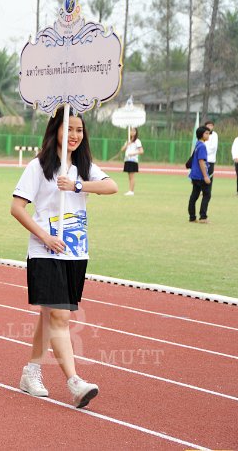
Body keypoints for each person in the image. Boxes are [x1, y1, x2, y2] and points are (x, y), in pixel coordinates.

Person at [10, 110, 117, 408]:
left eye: (79, 130)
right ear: (55, 129)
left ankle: (31, 372)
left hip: (76, 252)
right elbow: (17, 208)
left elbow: (112, 186)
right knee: (60, 316)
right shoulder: (38, 167)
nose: (74, 135)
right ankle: (75, 382)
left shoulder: (84, 168)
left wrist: (78, 185)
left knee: (49, 316)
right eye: (68, 128)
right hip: (46, 252)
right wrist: (44, 236)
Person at [188, 126, 212, 223]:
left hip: (194, 174)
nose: (208, 135)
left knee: (194, 195)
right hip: (200, 175)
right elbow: (201, 161)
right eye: (206, 133)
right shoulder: (202, 146)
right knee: (207, 194)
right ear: (201, 134)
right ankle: (203, 217)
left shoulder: (197, 144)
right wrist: (205, 176)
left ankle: (192, 217)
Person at [120, 128, 143, 196]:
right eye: (131, 131)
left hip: (133, 160)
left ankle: (131, 191)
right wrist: (127, 144)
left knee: (132, 176)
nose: (132, 132)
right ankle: (130, 190)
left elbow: (141, 151)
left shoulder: (137, 141)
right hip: (127, 160)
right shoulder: (128, 141)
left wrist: (132, 153)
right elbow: (122, 149)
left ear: (136, 132)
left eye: (134, 131)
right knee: (129, 176)